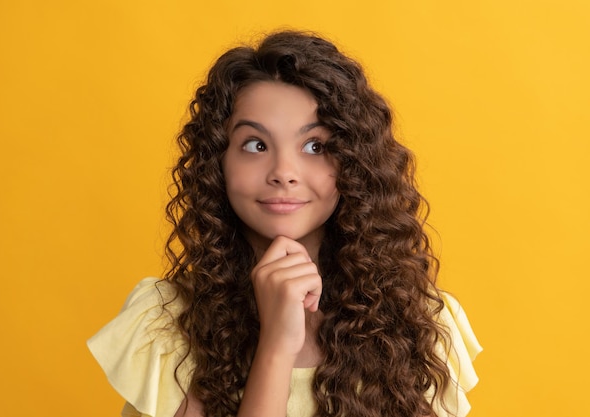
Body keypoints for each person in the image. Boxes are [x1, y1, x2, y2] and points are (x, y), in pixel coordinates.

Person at [88, 30, 481, 417]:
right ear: (218, 164)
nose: (284, 173)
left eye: (315, 146)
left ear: (355, 164)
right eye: (256, 145)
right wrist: (276, 346)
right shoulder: (165, 325)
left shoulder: (422, 322)